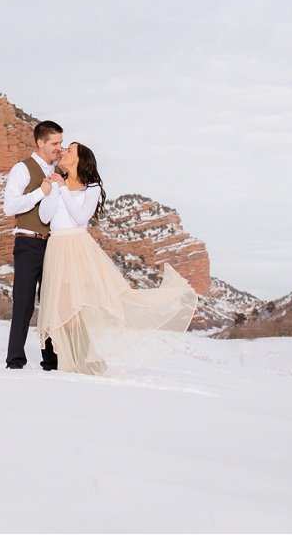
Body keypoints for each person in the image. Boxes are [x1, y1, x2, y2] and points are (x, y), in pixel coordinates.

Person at [36, 142, 198, 375]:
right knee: (61, 310)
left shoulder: (89, 188)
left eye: (70, 150)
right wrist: (52, 189)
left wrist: (62, 189)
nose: (64, 152)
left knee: (73, 308)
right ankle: (79, 362)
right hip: (57, 247)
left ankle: (85, 363)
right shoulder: (56, 180)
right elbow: (45, 216)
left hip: (77, 248)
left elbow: (81, 219)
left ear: (80, 160)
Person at [2, 120, 65, 370]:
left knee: (51, 302)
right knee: (24, 302)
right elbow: (10, 207)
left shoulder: (60, 170)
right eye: (54, 143)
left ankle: (51, 360)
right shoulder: (22, 169)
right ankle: (15, 360)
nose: (59, 147)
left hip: (53, 245)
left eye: (61, 142)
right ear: (40, 143)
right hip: (28, 242)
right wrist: (41, 191)